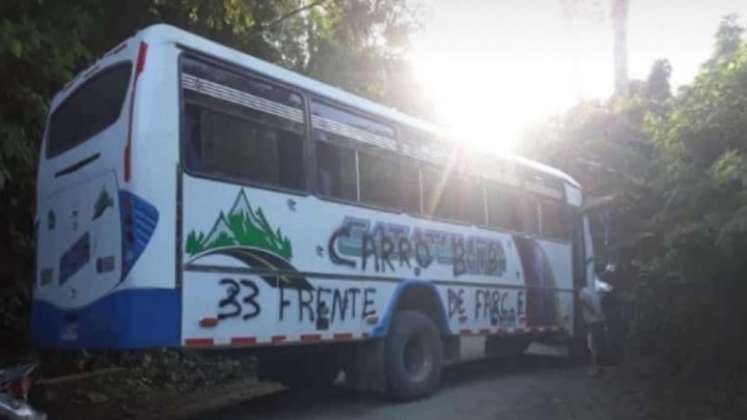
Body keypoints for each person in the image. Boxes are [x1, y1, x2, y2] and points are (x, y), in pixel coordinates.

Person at [580, 282, 606, 376]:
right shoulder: (598, 292)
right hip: (600, 321)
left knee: (593, 347)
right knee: (599, 345)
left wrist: (592, 311)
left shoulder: (583, 291)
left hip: (592, 322)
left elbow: (583, 302)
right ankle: (600, 368)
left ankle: (595, 370)